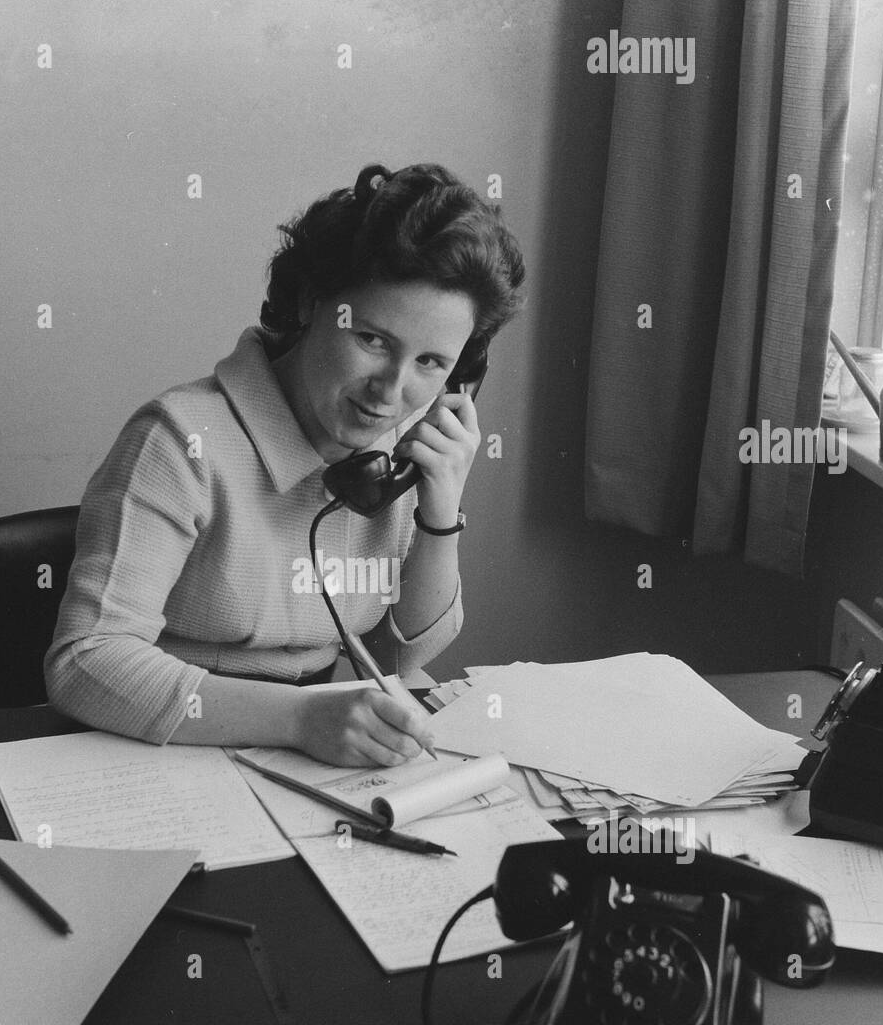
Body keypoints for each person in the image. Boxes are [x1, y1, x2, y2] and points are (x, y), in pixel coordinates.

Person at [45, 162, 525, 768]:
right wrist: (299, 718)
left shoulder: (396, 454)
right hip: (161, 750)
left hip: (307, 757)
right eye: (373, 339)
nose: (390, 392)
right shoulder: (179, 441)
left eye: (430, 362)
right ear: (310, 301)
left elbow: (398, 659)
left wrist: (439, 512)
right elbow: (87, 661)